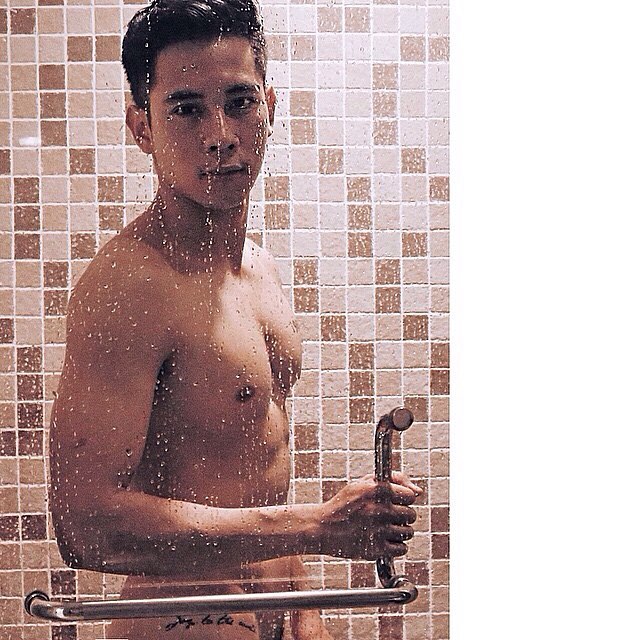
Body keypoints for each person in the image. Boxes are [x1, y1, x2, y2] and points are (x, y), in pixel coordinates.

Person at [49, 1, 422, 638]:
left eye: (240, 101)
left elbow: (246, 468)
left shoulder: (260, 269)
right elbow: (86, 527)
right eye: (186, 108)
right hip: (187, 621)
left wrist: (304, 594)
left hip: (287, 608)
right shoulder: (129, 287)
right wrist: (318, 526)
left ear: (269, 107)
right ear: (142, 126)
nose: (220, 135)